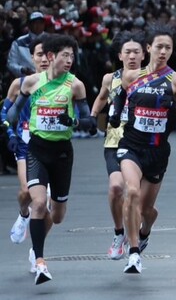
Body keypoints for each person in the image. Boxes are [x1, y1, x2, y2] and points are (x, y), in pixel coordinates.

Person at [6, 33, 94, 284]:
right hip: (36, 150)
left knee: (56, 215)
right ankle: (40, 260)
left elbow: (89, 123)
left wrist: (74, 121)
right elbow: (12, 114)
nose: (69, 60)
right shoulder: (32, 83)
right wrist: (9, 133)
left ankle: (37, 245)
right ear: (51, 56)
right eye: (65, 55)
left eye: (72, 56)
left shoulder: (75, 85)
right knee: (38, 202)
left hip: (63, 153)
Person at [112, 25, 176, 275]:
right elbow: (119, 95)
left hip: (158, 151)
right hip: (131, 146)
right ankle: (134, 253)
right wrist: (116, 114)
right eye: (158, 47)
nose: (162, 52)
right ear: (148, 48)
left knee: (146, 210)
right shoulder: (131, 76)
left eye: (168, 48)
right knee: (131, 191)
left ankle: (146, 229)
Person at [89, 31, 145, 260]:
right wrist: (92, 116)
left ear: (144, 53)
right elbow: (103, 97)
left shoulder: (150, 77)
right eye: (127, 52)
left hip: (140, 140)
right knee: (115, 188)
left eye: (136, 51)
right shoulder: (109, 78)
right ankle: (119, 233)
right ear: (120, 55)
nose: (132, 56)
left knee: (134, 193)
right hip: (114, 140)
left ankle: (138, 231)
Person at [4, 36, 50, 246]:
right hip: (25, 144)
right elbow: (3, 114)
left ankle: (36, 251)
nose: (44, 59)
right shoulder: (19, 84)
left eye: (48, 55)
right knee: (26, 192)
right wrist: (11, 135)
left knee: (44, 205)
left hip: (51, 147)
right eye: (39, 55)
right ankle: (23, 214)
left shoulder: (64, 84)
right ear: (32, 57)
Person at [6, 12, 46, 78]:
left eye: (40, 22)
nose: (38, 25)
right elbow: (11, 63)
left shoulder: (51, 41)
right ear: (29, 25)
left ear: (44, 24)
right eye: (35, 23)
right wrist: (22, 69)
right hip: (25, 80)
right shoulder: (19, 42)